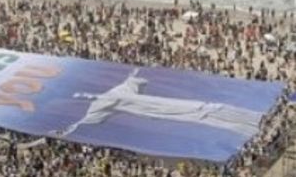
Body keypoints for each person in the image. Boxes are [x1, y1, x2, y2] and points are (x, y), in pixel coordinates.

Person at [54, 68, 264, 138]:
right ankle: (246, 124)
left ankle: (249, 121)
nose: (85, 96)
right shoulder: (98, 105)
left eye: (82, 94)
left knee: (200, 108)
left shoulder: (118, 90)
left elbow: (133, 79)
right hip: (154, 110)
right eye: (81, 97)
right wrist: (66, 130)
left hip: (156, 103)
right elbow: (83, 122)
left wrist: (136, 72)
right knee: (198, 114)